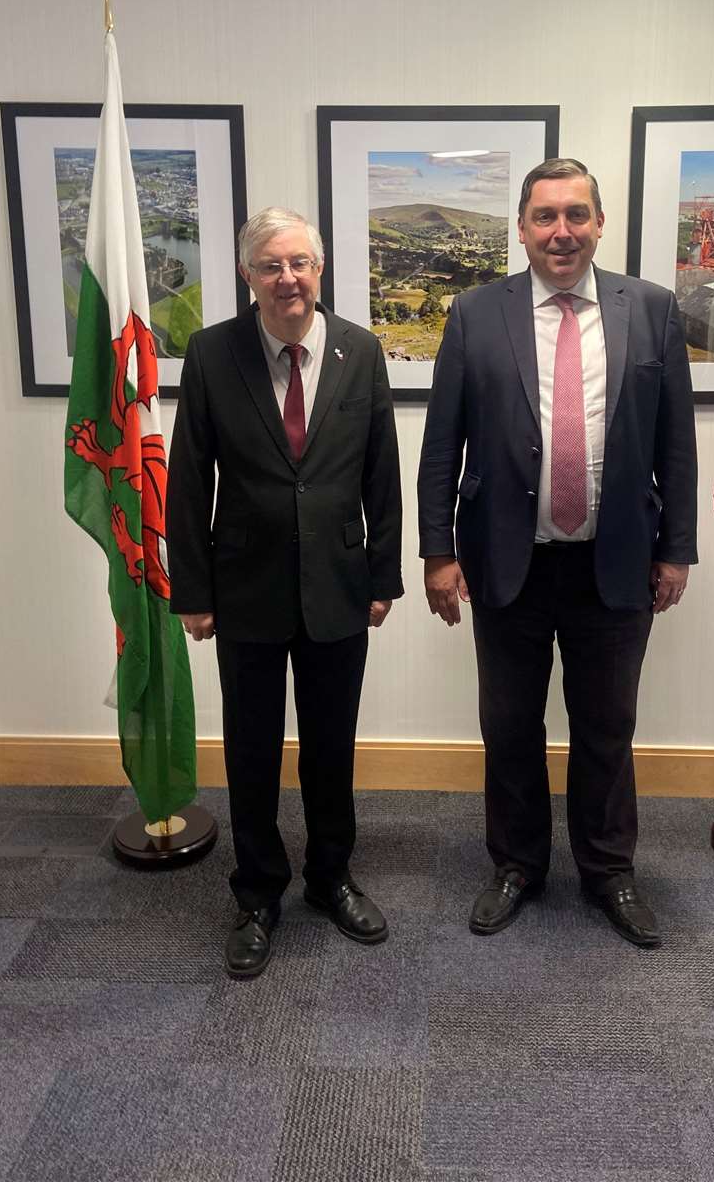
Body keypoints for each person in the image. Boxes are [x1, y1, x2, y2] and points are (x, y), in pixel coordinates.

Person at [417, 158, 697, 948]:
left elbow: (675, 444)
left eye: (576, 214)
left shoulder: (651, 310)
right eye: (545, 217)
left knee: (608, 725)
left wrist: (676, 548)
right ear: (522, 228)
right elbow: (442, 446)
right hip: (509, 561)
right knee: (509, 726)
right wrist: (437, 552)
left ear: (600, 223)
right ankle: (516, 865)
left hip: (616, 565)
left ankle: (609, 871)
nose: (561, 231)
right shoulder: (475, 314)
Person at [167, 206, 403, 978]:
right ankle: (258, 893)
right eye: (271, 265)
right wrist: (193, 592)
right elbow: (189, 476)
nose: (288, 278)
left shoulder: (360, 352)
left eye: (300, 262)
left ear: (320, 268)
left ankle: (331, 877)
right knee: (252, 751)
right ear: (248, 276)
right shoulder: (211, 353)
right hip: (246, 591)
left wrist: (383, 574)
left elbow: (382, 474)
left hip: (340, 585)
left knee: (332, 750)